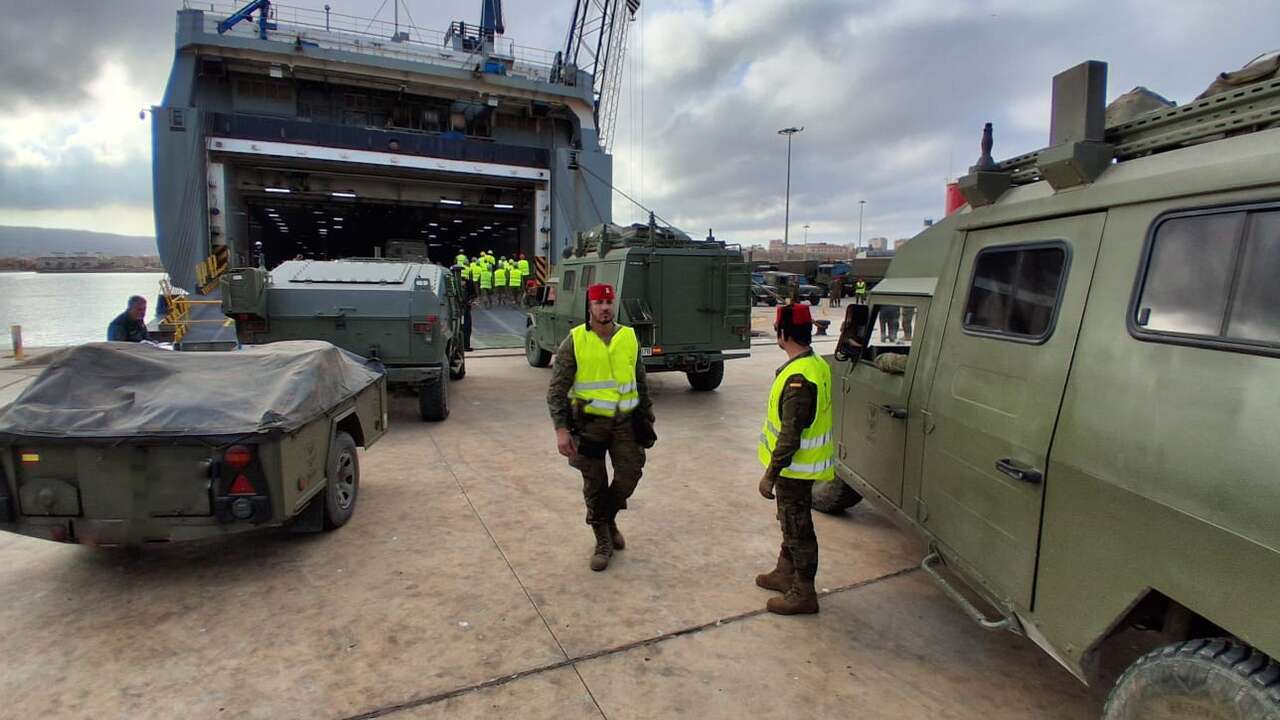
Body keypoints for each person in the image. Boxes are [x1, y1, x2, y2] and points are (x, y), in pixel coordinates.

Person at [547, 283, 655, 572]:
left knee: (630, 474)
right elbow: (557, 390)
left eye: (608, 302)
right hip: (588, 426)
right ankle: (602, 540)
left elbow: (640, 381)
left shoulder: (629, 337)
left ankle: (607, 518)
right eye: (599, 303)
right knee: (594, 483)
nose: (605, 308)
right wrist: (561, 429)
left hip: (625, 423)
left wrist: (648, 417)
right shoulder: (575, 340)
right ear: (590, 306)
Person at [755, 302, 834, 615]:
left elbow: (790, 435)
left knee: (797, 526)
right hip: (797, 468)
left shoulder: (799, 379)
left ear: (784, 334)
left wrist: (770, 474)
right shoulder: (812, 363)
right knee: (789, 522)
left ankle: (804, 591)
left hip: (795, 469)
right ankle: (784, 571)